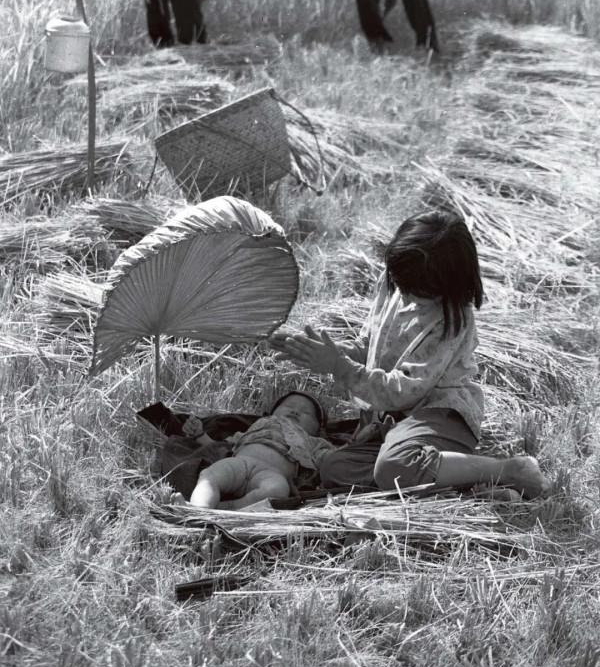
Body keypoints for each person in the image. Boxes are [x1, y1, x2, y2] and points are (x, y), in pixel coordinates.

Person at [271, 212, 549, 500]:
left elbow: (403, 391)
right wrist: (323, 352)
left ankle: (507, 470)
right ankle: (467, 489)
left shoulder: (450, 319)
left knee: (395, 465)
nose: (405, 296)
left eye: (419, 292)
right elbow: (369, 348)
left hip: (439, 416)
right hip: (394, 424)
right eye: (402, 285)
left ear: (451, 284)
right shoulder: (398, 280)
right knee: (334, 468)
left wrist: (339, 367)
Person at [187, 391, 333, 510]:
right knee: (210, 476)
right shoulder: (259, 425)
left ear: (318, 429)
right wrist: (199, 435)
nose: (295, 412)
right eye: (289, 406)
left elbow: (332, 459)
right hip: (240, 464)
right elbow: (218, 446)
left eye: (306, 412)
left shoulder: (314, 441)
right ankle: (199, 509)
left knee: (278, 491)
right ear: (272, 412)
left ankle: (227, 509)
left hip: (272, 474)